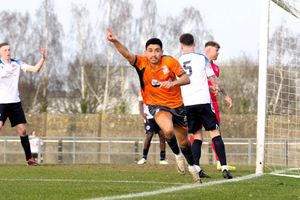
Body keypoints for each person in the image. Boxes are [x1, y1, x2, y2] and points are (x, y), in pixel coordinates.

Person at [106, 29, 201, 183]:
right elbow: (127, 53)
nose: (153, 54)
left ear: (162, 52)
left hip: (177, 105)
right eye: (150, 51)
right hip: (156, 105)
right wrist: (115, 41)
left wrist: (173, 82)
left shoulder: (170, 62)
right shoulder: (141, 63)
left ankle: (192, 167)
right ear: (146, 52)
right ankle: (177, 156)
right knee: (168, 130)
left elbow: (186, 79)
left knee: (184, 141)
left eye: (157, 50)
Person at [179, 33, 233, 179]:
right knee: (215, 134)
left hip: (188, 104)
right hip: (203, 102)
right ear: (194, 44)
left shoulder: (177, 61)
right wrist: (219, 89)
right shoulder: (201, 58)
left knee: (196, 136)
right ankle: (224, 168)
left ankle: (196, 168)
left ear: (181, 45)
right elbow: (213, 79)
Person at [188, 41, 236, 171]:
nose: (218, 53)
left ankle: (220, 162)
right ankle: (194, 163)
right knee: (196, 134)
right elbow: (192, 82)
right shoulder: (199, 63)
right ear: (208, 50)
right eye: (216, 50)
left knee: (216, 132)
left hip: (212, 103)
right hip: (199, 102)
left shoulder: (216, 68)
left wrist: (225, 95)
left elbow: (217, 83)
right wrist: (209, 87)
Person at [0, 42, 46, 166]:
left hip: (15, 103)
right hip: (1, 104)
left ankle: (29, 159)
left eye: (9, 49)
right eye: (5, 50)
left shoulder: (17, 63)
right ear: (0, 52)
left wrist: (42, 59)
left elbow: (35, 69)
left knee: (23, 130)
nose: (8, 52)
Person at [137, 93, 168, 165]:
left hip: (160, 115)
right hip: (149, 116)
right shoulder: (144, 88)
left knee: (162, 136)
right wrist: (142, 113)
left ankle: (162, 159)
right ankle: (144, 157)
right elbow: (140, 102)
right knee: (149, 135)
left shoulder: (159, 87)